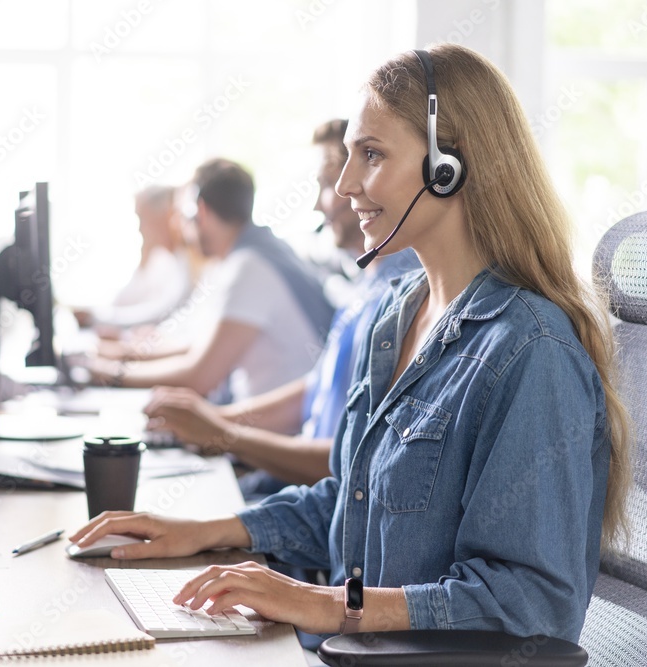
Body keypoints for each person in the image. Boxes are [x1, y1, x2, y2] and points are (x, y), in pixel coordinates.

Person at [69, 44, 631, 642]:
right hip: (345, 649)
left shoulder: (529, 350)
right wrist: (205, 530)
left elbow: (534, 601)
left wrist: (334, 604)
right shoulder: (397, 316)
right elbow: (349, 503)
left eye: (371, 155)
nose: (344, 184)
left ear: (449, 166)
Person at [143, 119, 421, 497]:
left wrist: (223, 433)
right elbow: (315, 391)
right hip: (303, 488)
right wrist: (213, 421)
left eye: (325, 183)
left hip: (320, 504)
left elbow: (352, 461)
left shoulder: (403, 295)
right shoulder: (368, 285)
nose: (321, 201)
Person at [82, 158, 335, 403]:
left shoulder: (248, 268)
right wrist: (122, 356)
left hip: (267, 433)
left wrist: (108, 372)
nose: (179, 227)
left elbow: (200, 375)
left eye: (182, 215)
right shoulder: (256, 253)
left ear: (200, 211)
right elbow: (197, 346)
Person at [74, 185, 190, 332]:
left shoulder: (185, 263)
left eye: (143, 218)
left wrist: (97, 318)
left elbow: (161, 314)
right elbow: (120, 302)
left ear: (164, 216)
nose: (140, 229)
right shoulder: (159, 260)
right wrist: (142, 264)